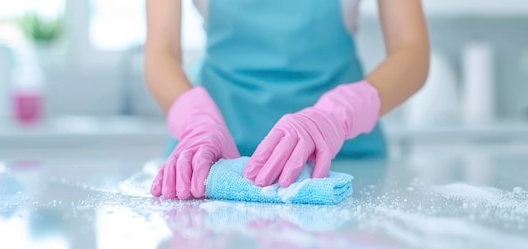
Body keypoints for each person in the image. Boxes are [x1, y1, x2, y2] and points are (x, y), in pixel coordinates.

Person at [145, 0, 429, 199]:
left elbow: (412, 51)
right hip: (213, 162)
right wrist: (196, 120)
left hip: (341, 160)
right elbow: (161, 50)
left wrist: (338, 114)